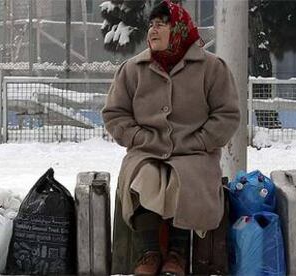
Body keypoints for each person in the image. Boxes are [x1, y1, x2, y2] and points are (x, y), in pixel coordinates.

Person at [102, 1, 240, 275]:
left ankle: (178, 253)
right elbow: (114, 114)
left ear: (178, 29)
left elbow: (227, 115)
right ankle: (148, 252)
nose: (153, 30)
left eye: (161, 24)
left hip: (194, 153)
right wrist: (140, 137)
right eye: (151, 25)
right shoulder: (133, 69)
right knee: (145, 177)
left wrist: (200, 142)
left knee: (184, 179)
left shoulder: (212, 68)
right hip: (147, 150)